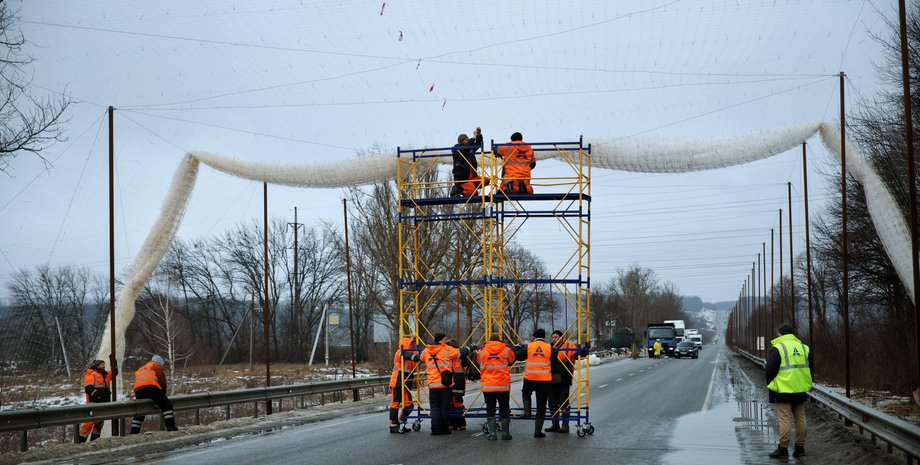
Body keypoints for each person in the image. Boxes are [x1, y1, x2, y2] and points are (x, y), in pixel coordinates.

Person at [406, 333, 476, 435]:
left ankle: (435, 429)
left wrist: (406, 355)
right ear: (440, 340)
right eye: (445, 339)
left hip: (433, 385)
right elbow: (462, 352)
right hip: (445, 384)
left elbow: (418, 358)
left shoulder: (426, 351)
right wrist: (472, 346)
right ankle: (444, 429)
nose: (447, 341)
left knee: (434, 408)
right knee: (444, 407)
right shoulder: (447, 349)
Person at [765, 322, 813, 459]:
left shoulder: (778, 347)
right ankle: (800, 448)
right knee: (801, 418)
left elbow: (770, 369)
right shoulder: (804, 347)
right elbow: (810, 368)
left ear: (780, 333)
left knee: (784, 419)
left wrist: (771, 384)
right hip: (800, 389)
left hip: (783, 389)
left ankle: (783, 449)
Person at [545, 331, 589, 434]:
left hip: (564, 379)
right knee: (552, 402)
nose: (554, 339)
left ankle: (565, 426)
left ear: (561, 337)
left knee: (563, 402)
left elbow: (577, 355)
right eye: (553, 337)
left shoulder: (568, 346)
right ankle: (555, 424)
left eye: (556, 337)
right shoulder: (549, 347)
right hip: (551, 379)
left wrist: (585, 349)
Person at [514, 328, 552, 438]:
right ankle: (537, 431)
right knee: (541, 405)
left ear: (534, 337)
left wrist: (517, 347)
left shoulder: (529, 346)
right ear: (544, 337)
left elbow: (519, 356)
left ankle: (527, 413)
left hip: (530, 378)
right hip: (544, 380)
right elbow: (554, 360)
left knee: (526, 393)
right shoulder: (549, 347)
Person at [478, 334, 515, 440]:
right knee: (504, 408)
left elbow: (478, 361)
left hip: (488, 385)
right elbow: (511, 360)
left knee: (490, 408)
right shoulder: (506, 350)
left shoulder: (482, 351)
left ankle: (492, 434)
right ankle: (505, 433)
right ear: (499, 340)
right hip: (502, 385)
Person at [130, 355, 177, 434]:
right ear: (159, 362)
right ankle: (171, 426)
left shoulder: (142, 368)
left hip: (138, 390)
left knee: (141, 410)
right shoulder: (156, 365)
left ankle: (134, 432)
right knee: (166, 405)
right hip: (151, 386)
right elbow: (162, 380)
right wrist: (163, 394)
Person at [388, 336, 417, 433]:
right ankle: (393, 425)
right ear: (406, 344)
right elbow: (406, 355)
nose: (413, 346)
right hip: (397, 382)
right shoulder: (399, 352)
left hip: (406, 383)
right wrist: (415, 356)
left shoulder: (411, 353)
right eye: (411, 344)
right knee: (395, 404)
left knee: (409, 406)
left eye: (413, 344)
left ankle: (401, 422)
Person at [78, 359, 112, 442]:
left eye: (104, 365)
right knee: (89, 422)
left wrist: (113, 361)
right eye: (101, 365)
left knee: (99, 423)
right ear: (96, 366)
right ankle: (80, 442)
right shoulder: (91, 374)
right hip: (94, 402)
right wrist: (99, 394)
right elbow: (88, 389)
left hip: (103, 402)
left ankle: (94, 442)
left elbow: (114, 372)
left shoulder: (105, 375)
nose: (104, 366)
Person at [450, 127, 489, 197]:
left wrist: (478, 135)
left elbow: (477, 144)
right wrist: (473, 137)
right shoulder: (457, 149)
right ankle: (458, 190)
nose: (468, 141)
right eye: (466, 140)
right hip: (463, 180)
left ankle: (471, 187)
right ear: (461, 141)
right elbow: (467, 147)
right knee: (473, 193)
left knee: (486, 180)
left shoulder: (469, 150)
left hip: (472, 178)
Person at [446, 339, 468, 431]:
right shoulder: (462, 355)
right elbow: (465, 367)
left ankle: (451, 423)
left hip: (448, 381)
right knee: (458, 402)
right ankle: (461, 423)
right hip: (459, 380)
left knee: (449, 402)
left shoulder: (446, 353)